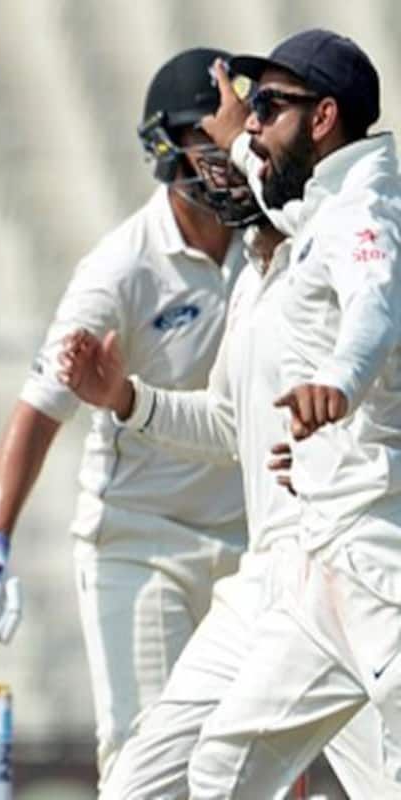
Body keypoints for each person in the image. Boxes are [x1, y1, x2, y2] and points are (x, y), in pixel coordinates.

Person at [0, 47, 264, 787]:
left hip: (249, 540)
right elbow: (38, 411)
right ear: (166, 150)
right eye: (205, 141)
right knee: (146, 757)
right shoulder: (121, 268)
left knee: (248, 758)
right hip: (141, 543)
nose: (226, 157)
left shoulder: (267, 238)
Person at [57, 219, 399, 798]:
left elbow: (371, 373)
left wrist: (341, 455)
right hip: (269, 572)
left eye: (254, 123)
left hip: (352, 563)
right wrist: (128, 399)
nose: (241, 145)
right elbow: (230, 423)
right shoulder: (252, 275)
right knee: (147, 787)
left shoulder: (353, 237)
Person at [164, 29, 401, 797]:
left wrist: (337, 379)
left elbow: (372, 310)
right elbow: (276, 200)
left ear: (324, 115)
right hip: (327, 562)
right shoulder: (326, 202)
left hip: (383, 561)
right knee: (224, 767)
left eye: (270, 106)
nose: (254, 121)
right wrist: (238, 144)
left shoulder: (364, 212)